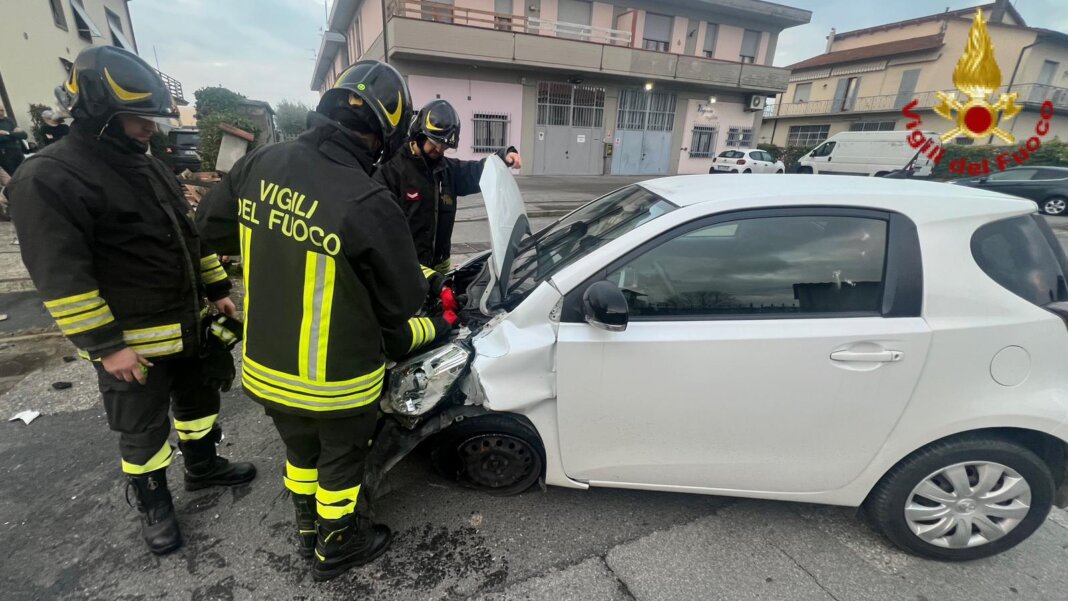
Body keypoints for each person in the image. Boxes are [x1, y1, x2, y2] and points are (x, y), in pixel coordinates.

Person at [6, 46, 256, 556]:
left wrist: (217, 291)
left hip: (188, 325)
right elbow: (61, 277)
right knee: (142, 431)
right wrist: (106, 346)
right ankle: (154, 504)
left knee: (199, 405)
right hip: (132, 346)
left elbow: (190, 238)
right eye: (138, 117)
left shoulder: (146, 165)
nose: (151, 127)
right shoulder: (51, 177)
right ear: (99, 112)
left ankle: (203, 466)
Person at [196, 60, 427, 581]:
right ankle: (338, 544)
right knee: (341, 459)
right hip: (336, 380)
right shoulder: (367, 199)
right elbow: (402, 300)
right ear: (384, 135)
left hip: (266, 369)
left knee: (300, 450)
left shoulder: (261, 161)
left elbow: (209, 226)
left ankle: (307, 529)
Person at [374, 99, 522, 274]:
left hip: (440, 270)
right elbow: (382, 234)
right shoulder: (391, 172)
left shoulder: (447, 170)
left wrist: (503, 157)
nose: (439, 151)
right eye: (435, 144)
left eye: (445, 147)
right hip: (408, 271)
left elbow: (477, 171)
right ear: (419, 135)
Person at [0, 104, 28, 175]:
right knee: (13, 177)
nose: (1, 113)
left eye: (2, 110)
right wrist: (14, 134)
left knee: (26, 173)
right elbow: (2, 138)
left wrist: (7, 133)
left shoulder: (9, 120)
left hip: (18, 151)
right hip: (4, 153)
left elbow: (24, 135)